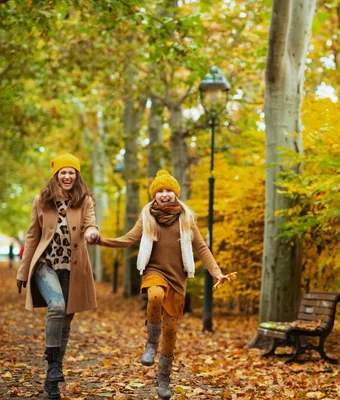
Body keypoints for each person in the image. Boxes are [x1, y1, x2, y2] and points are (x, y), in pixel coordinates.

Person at [89, 170, 233, 400]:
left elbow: (202, 248)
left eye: (169, 191)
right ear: (154, 194)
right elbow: (128, 240)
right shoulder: (147, 217)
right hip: (154, 272)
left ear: (175, 193)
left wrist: (217, 272)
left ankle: (163, 377)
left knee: (171, 333)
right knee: (154, 296)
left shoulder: (186, 218)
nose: (165, 195)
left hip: (178, 278)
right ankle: (150, 341)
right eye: (160, 191)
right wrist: (101, 240)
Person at [16, 153, 99, 400]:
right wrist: (22, 270)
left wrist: (93, 233)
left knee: (65, 324)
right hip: (45, 265)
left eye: (71, 172)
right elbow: (32, 236)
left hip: (74, 268)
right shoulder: (42, 200)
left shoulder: (84, 200)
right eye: (63, 172)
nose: (67, 176)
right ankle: (53, 364)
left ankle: (52, 379)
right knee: (56, 306)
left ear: (77, 176)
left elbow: (90, 224)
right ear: (55, 175)